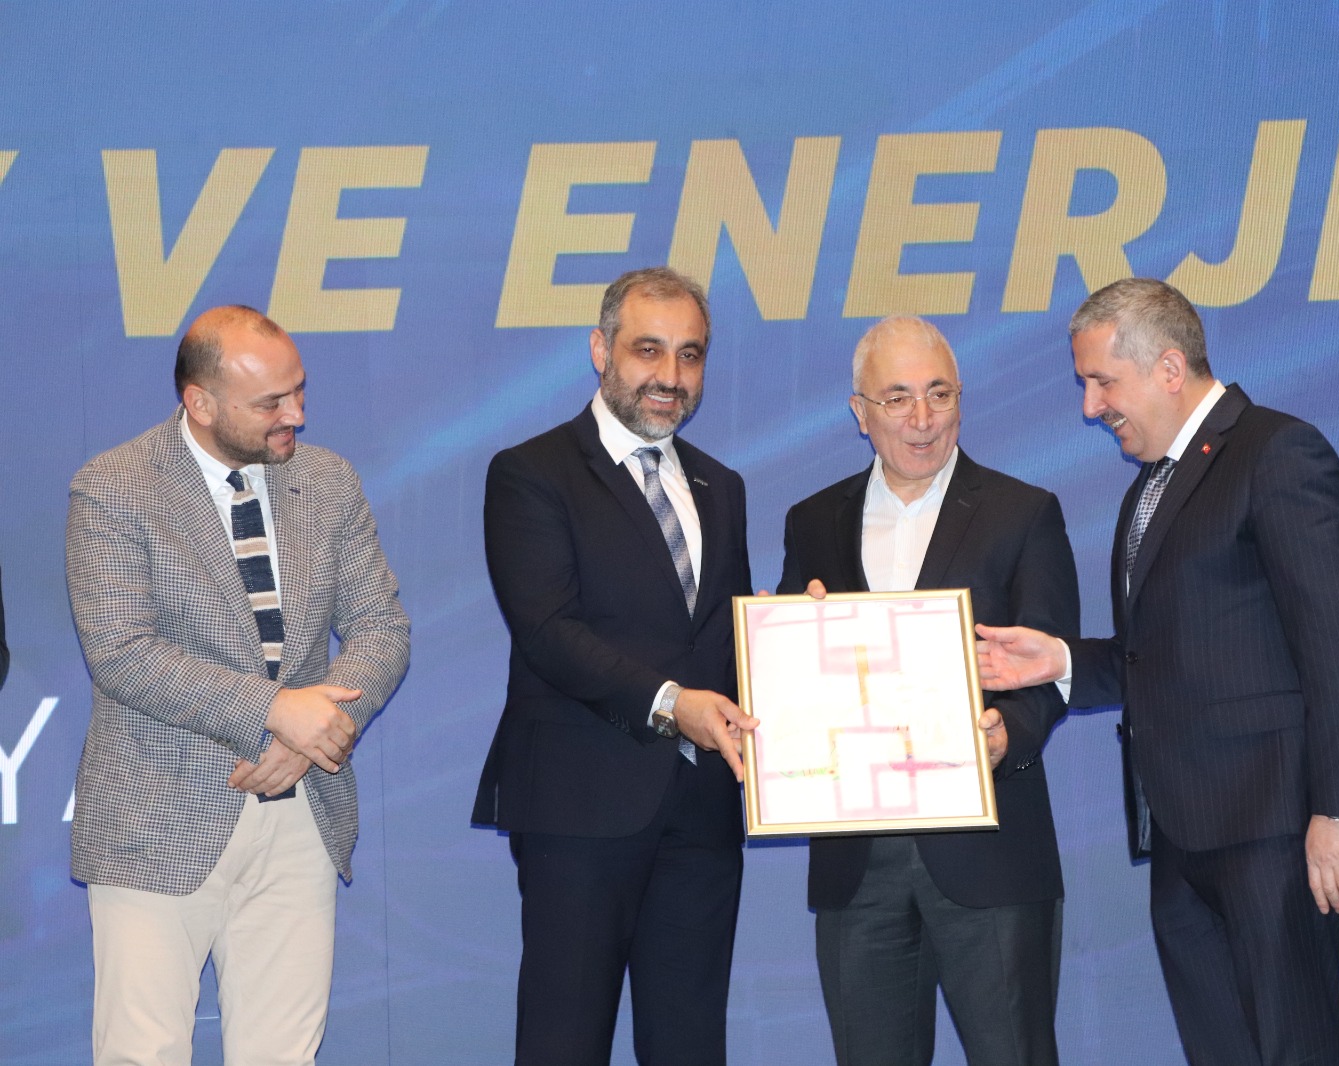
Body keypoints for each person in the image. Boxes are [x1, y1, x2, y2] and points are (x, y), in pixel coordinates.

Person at [977, 278, 1339, 1066]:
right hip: (1180, 840)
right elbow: (1156, 656)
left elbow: (1338, 640)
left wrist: (1337, 809)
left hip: (1273, 834)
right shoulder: (1150, 487)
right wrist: (1061, 660)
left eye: (1102, 382)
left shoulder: (1276, 452)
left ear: (1167, 368)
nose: (1091, 406)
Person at [65, 305, 410, 1065]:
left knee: (283, 1055)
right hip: (156, 817)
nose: (297, 414)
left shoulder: (327, 480)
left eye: (299, 390)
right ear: (200, 402)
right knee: (142, 1053)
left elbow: (381, 628)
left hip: (300, 816)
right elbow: (122, 652)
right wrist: (276, 712)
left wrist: (313, 733)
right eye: (271, 402)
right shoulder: (114, 487)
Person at [777, 315, 1079, 1066]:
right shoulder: (812, 521)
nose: (922, 418)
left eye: (939, 394)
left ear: (961, 401)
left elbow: (1050, 670)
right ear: (860, 412)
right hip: (857, 862)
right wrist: (789, 652)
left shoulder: (1023, 513)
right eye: (897, 398)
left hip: (990, 853)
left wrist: (1009, 734)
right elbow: (787, 678)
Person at [473, 267, 754, 1066]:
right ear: (601, 350)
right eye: (648, 350)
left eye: (690, 354)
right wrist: (673, 703)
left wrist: (792, 638)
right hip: (580, 810)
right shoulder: (532, 473)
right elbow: (548, 632)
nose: (671, 375)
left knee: (691, 1046)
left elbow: (719, 636)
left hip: (701, 812)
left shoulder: (722, 486)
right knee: (565, 1044)